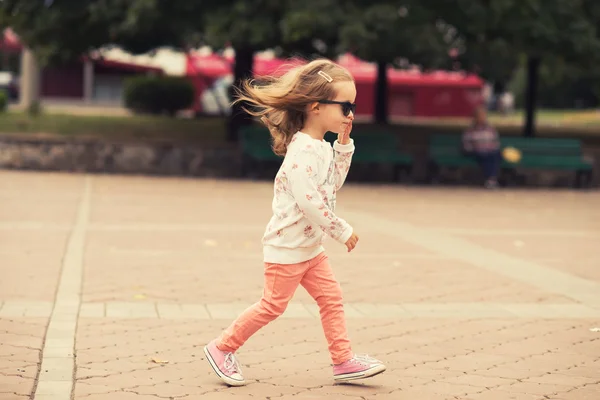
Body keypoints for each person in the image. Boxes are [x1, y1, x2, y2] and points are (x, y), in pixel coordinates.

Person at [203, 59, 386, 386]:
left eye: (353, 106)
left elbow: (332, 185)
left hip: (310, 249)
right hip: (286, 248)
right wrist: (341, 230)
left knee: (332, 299)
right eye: (345, 106)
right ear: (316, 107)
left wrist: (344, 145)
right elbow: (310, 201)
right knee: (272, 306)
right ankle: (221, 348)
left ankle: (343, 361)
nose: (351, 114)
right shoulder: (301, 152)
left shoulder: (322, 147)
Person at [462, 106, 502, 188]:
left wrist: (492, 148)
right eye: (480, 116)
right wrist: (475, 149)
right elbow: (466, 144)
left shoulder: (490, 129)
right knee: (485, 155)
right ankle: (491, 180)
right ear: (475, 117)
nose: (482, 118)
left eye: (483, 115)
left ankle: (491, 180)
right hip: (476, 151)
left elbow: (495, 142)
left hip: (490, 151)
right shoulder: (470, 130)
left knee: (495, 155)